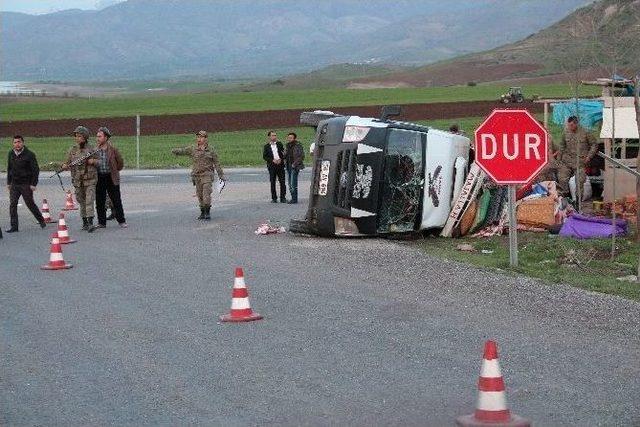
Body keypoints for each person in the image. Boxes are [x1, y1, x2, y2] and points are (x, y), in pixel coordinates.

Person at [51, 126, 99, 230]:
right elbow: (67, 163)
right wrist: (64, 166)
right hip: (78, 180)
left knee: (89, 200)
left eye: (80, 136)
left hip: (90, 180)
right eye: (76, 136)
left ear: (85, 137)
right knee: (81, 201)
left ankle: (90, 222)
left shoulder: (92, 149)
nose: (77, 138)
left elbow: (100, 162)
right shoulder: (72, 150)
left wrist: (92, 161)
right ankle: (85, 222)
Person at [171, 130, 226, 220]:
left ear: (206, 139)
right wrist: (175, 151)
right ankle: (202, 212)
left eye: (201, 137)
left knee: (206, 194)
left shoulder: (211, 151)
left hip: (207, 175)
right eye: (198, 137)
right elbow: (183, 151)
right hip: (196, 176)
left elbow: (217, 164)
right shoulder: (192, 149)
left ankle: (207, 212)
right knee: (200, 195)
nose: (199, 139)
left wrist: (221, 175)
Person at [88, 127, 127, 232]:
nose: (98, 138)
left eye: (100, 136)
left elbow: (120, 163)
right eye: (97, 136)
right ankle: (101, 222)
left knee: (116, 199)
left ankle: (121, 220)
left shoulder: (113, 149)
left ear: (106, 137)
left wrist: (115, 171)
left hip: (111, 177)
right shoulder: (94, 149)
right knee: (100, 201)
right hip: (99, 177)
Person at [6, 135, 47, 232]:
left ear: (23, 143)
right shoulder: (11, 153)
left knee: (30, 203)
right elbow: (9, 168)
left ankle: (41, 220)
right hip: (15, 184)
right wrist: (8, 182)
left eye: (19, 142)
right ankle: (14, 227)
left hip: (26, 184)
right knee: (12, 204)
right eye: (15, 142)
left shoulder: (29, 154)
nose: (17, 144)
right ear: (13, 144)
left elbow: (35, 170)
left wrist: (33, 184)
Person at [557, 116, 598, 197]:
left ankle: (578, 202)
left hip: (580, 162)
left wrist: (589, 156)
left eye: (572, 125)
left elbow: (594, 144)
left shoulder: (586, 132)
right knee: (562, 178)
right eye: (569, 125)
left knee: (579, 182)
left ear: (577, 124)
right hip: (567, 161)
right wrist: (559, 160)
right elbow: (561, 146)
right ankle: (565, 197)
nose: (570, 127)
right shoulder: (565, 132)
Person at [262, 131, 286, 203]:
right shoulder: (266, 146)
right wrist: (272, 160)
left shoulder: (279, 144)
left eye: (275, 135)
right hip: (272, 166)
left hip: (280, 165)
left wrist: (281, 159)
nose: (274, 137)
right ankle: (274, 198)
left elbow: (283, 153)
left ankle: (283, 198)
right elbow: (265, 157)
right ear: (269, 137)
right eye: (273, 135)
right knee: (273, 182)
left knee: (282, 182)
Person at [284, 132, 304, 204]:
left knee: (293, 183)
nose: (289, 139)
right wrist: (284, 154)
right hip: (288, 165)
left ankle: (294, 199)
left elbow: (301, 156)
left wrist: (294, 164)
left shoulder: (298, 145)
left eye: (291, 138)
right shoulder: (287, 145)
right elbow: (286, 155)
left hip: (294, 166)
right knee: (289, 183)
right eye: (288, 138)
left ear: (294, 138)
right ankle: (293, 197)